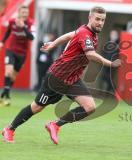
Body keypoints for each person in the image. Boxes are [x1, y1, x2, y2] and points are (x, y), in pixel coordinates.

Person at [2, 6, 121, 144]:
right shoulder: (85, 33)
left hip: (72, 79)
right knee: (37, 107)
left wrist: (53, 43)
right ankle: (9, 129)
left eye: (103, 20)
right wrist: (111, 64)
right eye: (97, 19)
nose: (100, 22)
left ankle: (55, 125)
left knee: (90, 107)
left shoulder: (88, 32)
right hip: (57, 77)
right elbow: (90, 54)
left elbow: (70, 35)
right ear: (90, 18)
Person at [0, 5, 34, 106]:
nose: (24, 15)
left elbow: (31, 37)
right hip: (11, 50)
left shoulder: (30, 23)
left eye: (26, 13)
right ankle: (6, 96)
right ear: (19, 13)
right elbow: (8, 32)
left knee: (13, 76)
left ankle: (4, 94)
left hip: (22, 53)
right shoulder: (12, 22)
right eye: (23, 13)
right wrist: (2, 42)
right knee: (9, 72)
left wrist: (23, 27)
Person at [101, 29, 120, 94]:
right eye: (112, 34)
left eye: (115, 34)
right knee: (105, 77)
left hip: (113, 64)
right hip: (106, 63)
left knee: (109, 77)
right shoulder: (107, 43)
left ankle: (111, 91)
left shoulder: (118, 45)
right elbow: (103, 52)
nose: (113, 36)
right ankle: (111, 90)